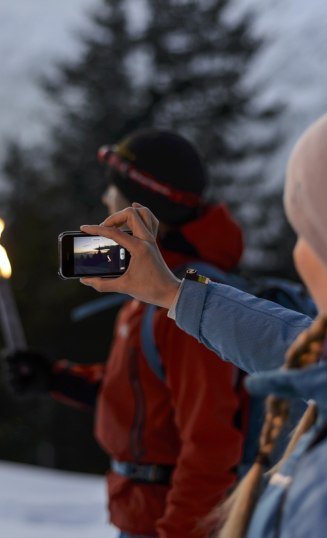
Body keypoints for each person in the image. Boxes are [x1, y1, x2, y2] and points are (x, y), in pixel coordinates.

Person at [79, 86, 327, 537]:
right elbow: (298, 345)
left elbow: (211, 440)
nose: (298, 254)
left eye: (305, 232)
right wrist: (173, 295)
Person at [5, 129, 251, 538]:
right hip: (140, 513)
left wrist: (178, 532)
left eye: (113, 188)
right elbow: (142, 396)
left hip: (169, 521)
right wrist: (57, 378)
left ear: (142, 206)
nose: (105, 199)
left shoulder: (190, 303)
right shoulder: (153, 290)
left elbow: (211, 444)